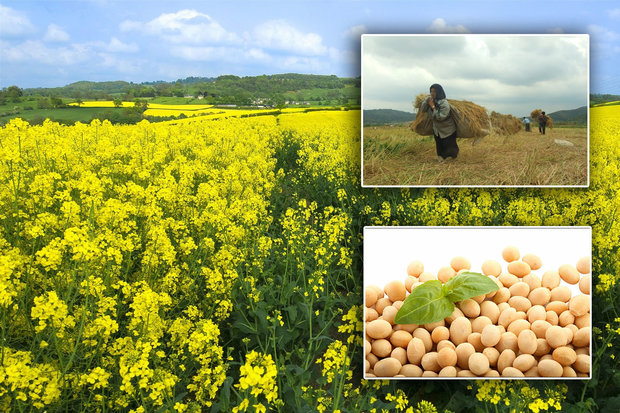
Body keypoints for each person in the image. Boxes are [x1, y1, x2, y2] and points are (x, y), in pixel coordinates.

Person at [420, 83, 458, 161]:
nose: (432, 93)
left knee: (450, 149)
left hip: (447, 129)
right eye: (431, 91)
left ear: (439, 92)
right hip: (437, 129)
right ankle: (441, 159)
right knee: (439, 145)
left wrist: (433, 107)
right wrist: (426, 101)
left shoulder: (444, 103)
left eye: (434, 91)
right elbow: (423, 110)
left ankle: (452, 159)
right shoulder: (431, 100)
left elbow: (440, 117)